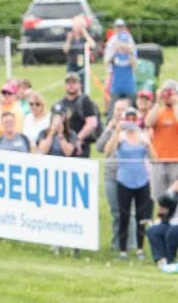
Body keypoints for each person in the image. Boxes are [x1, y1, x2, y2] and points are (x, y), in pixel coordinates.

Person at [103, 106, 156, 259]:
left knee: (141, 215)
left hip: (141, 181)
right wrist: (116, 132)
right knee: (124, 215)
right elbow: (107, 151)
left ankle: (140, 248)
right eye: (129, 119)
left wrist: (148, 144)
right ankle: (123, 249)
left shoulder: (143, 136)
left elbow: (154, 159)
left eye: (134, 119)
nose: (131, 122)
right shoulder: (121, 137)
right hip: (124, 180)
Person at [97, 98, 135, 252]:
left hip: (129, 176)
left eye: (122, 109)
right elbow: (100, 147)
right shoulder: (111, 128)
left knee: (129, 213)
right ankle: (116, 244)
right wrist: (109, 129)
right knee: (116, 212)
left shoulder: (133, 129)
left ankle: (131, 245)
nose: (119, 113)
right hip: (111, 176)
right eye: (117, 109)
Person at [145, 79, 178, 205]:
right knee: (159, 196)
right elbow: (148, 123)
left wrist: (175, 104)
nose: (168, 96)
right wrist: (158, 102)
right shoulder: (158, 112)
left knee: (175, 196)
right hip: (159, 161)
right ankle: (162, 220)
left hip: (176, 161)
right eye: (166, 93)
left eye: (171, 93)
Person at [53, 72, 100, 157]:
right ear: (64, 85)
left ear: (79, 84)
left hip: (81, 145)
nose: (71, 85)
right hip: (63, 144)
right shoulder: (60, 103)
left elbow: (92, 123)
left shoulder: (85, 100)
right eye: (68, 83)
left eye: (74, 82)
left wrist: (76, 139)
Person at [145, 181, 178, 272]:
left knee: (172, 232)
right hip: (172, 221)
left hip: (175, 226)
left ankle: (169, 261)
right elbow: (164, 202)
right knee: (153, 231)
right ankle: (162, 260)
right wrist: (171, 191)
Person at [104, 23, 137, 107]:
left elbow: (134, 65)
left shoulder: (130, 41)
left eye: (121, 27)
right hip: (116, 86)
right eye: (117, 27)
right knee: (113, 108)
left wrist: (129, 51)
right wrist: (115, 51)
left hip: (129, 86)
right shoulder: (112, 42)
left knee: (130, 108)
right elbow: (107, 62)